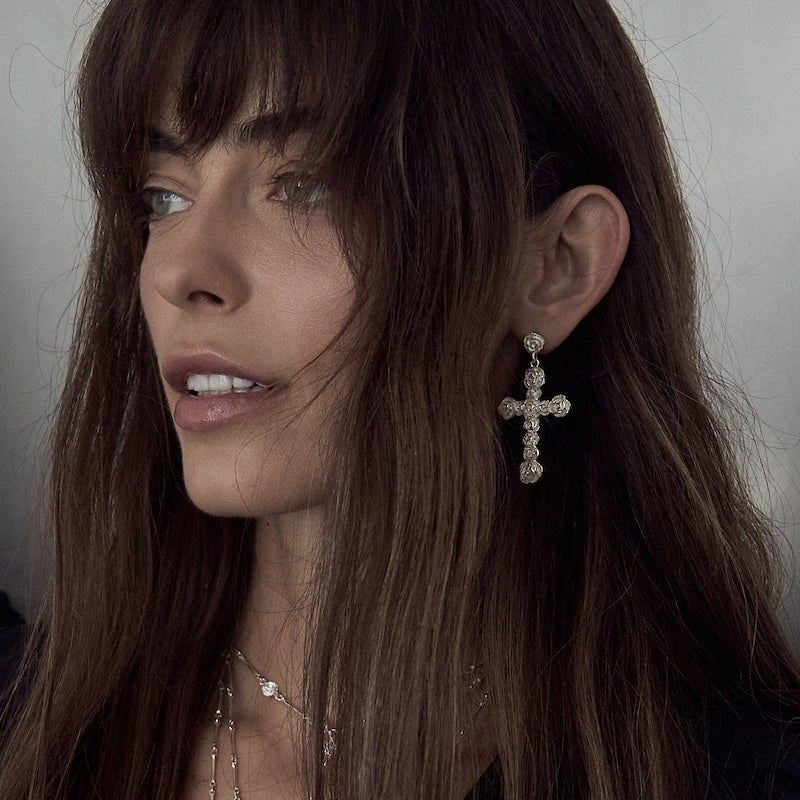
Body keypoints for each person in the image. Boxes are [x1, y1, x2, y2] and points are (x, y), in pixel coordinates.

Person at [1, 0, 799, 797]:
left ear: (557, 265)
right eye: (163, 196)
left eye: (303, 185)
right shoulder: (32, 731)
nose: (179, 272)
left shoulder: (737, 773)